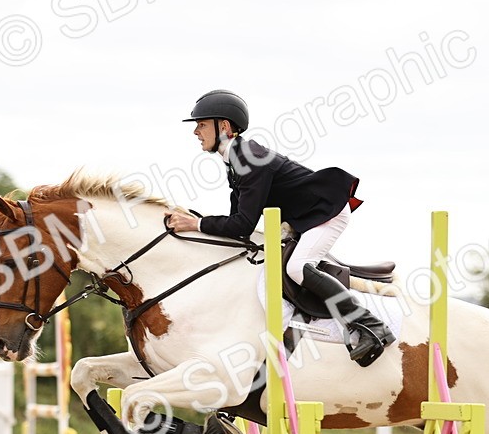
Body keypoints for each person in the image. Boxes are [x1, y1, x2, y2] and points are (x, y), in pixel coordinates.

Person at [167, 89, 395, 366]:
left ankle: (371, 325)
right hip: (305, 216)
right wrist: (199, 222)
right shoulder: (236, 160)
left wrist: (196, 223)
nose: (196, 132)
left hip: (326, 213)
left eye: (201, 125)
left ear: (223, 127)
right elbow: (236, 222)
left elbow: (242, 224)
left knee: (297, 268)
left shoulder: (247, 158)